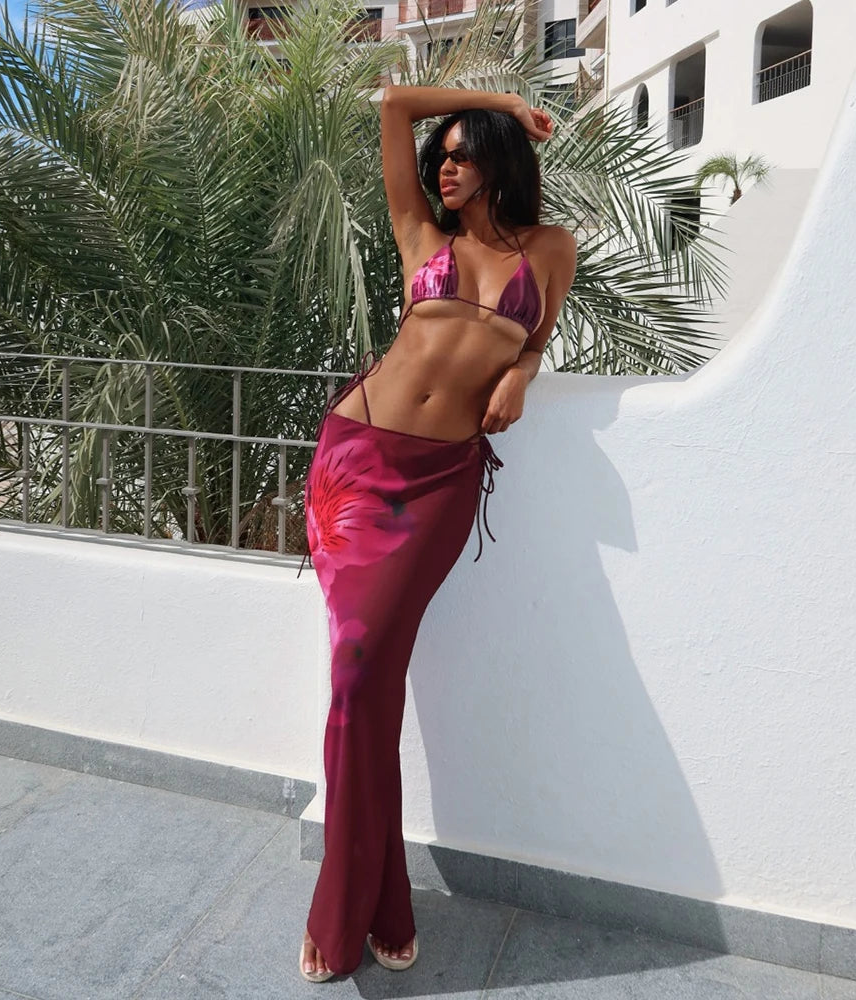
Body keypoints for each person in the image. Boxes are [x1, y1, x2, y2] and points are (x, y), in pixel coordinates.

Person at [299, 84, 577, 982]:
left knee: (364, 686)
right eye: (442, 155)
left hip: (438, 487)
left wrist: (524, 371)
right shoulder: (422, 237)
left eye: (463, 153)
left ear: (499, 163)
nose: (445, 167)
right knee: (360, 684)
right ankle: (368, 905)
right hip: (354, 463)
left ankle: (367, 903)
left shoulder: (550, 249)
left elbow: (536, 338)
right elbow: (390, 103)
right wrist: (501, 100)